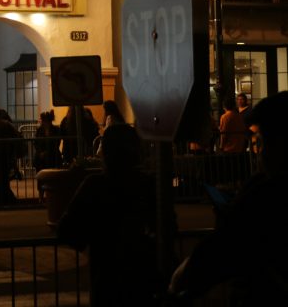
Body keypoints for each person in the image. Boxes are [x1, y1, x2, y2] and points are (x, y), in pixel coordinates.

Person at [170, 92, 288, 304]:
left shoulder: (264, 192)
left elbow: (223, 248)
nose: (261, 152)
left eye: (265, 141)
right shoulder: (261, 185)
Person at [57, 124, 170, 306]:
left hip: (107, 277)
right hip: (145, 278)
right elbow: (168, 227)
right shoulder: (149, 185)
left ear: (106, 153)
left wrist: (89, 238)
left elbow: (66, 230)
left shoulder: (94, 186)